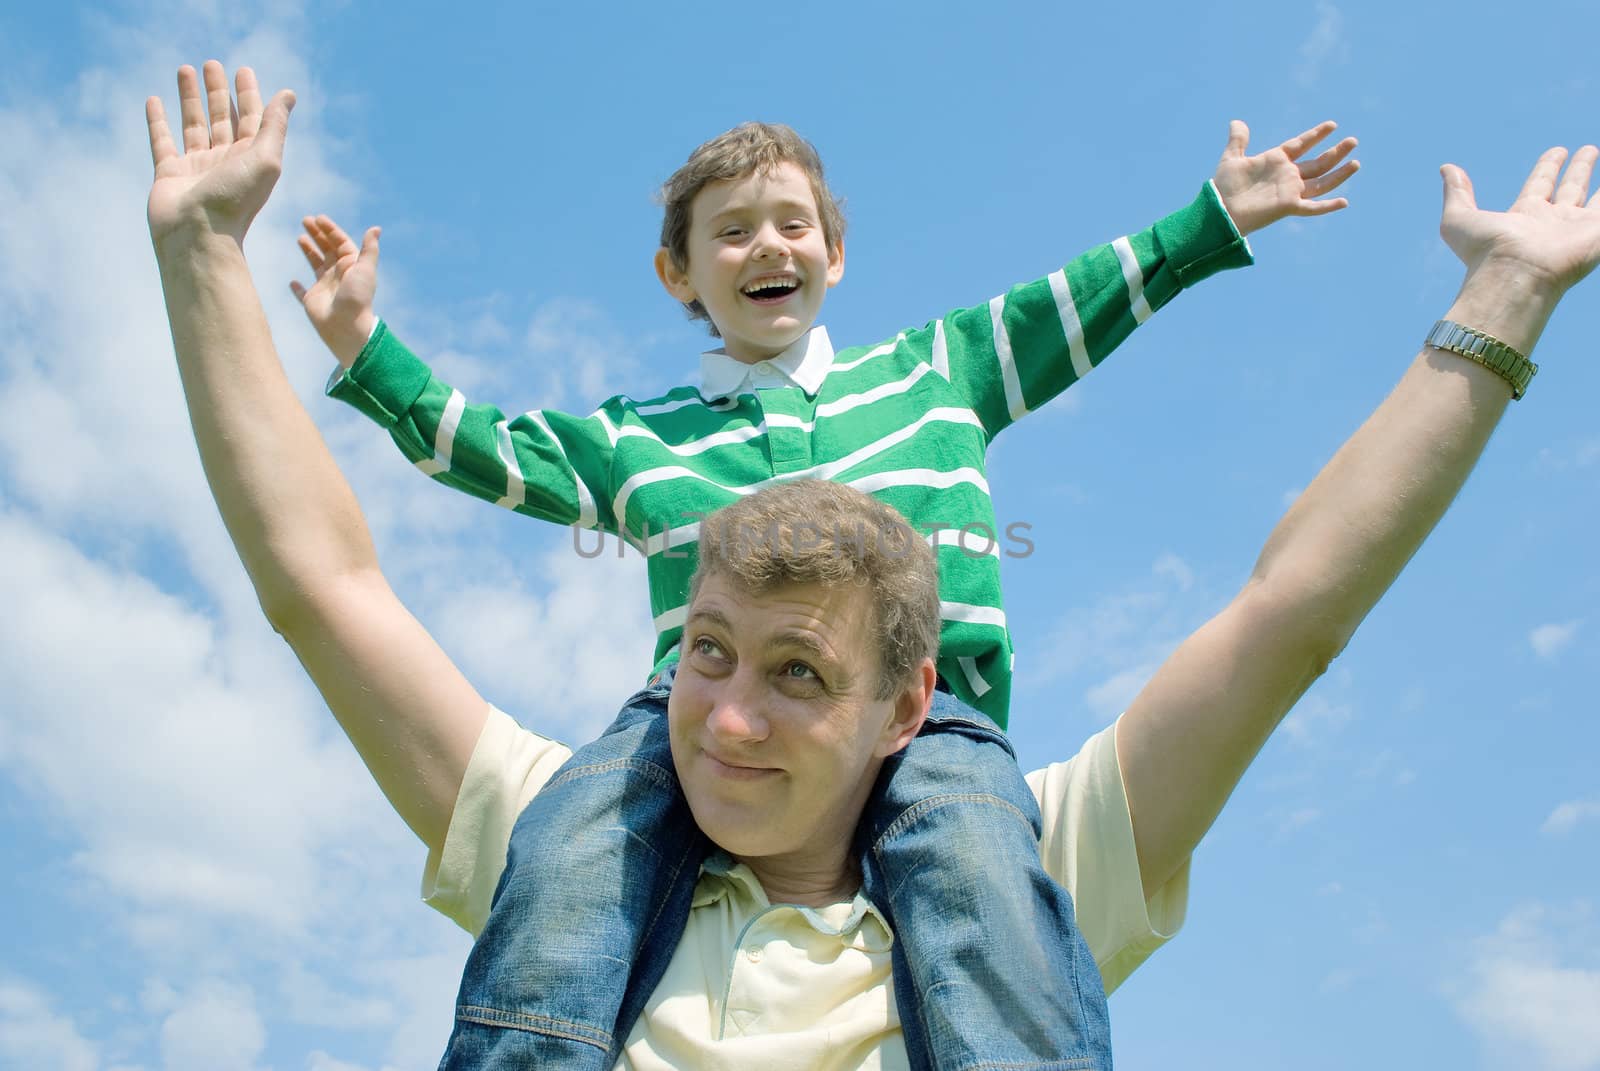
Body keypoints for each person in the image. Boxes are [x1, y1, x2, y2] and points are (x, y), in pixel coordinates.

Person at [146, 59, 1599, 1069]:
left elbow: (1112, 354)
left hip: (959, 731)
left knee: (977, 880)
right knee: (573, 853)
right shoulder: (643, 449)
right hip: (643, 765)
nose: (764, 244)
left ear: (835, 252)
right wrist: (353, 348)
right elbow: (443, 482)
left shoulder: (936, 372)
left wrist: (1218, 223)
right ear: (681, 275)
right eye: (729, 234)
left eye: (791, 224)